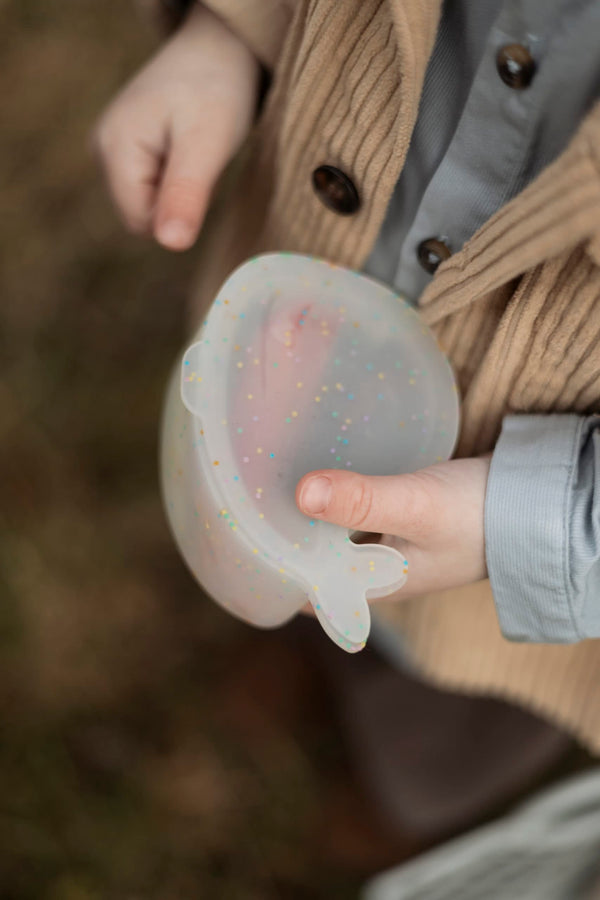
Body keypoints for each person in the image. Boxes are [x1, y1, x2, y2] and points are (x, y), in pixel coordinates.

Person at [94, 0, 600, 834]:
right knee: (269, 549)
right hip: (300, 337)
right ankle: (293, 661)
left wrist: (537, 524)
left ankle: (396, 797)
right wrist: (231, 35)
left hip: (515, 557)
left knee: (451, 701)